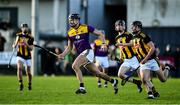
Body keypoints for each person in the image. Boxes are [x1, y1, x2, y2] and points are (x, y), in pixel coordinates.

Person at [58, 13, 118, 94]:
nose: (71, 22)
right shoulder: (70, 32)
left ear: (78, 20)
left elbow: (100, 33)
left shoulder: (86, 27)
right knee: (98, 73)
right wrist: (63, 54)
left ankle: (82, 87)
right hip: (82, 54)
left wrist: (103, 43)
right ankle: (114, 81)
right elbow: (69, 48)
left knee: (74, 66)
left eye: (73, 20)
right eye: (70, 20)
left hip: (88, 52)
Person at [117, 21, 172, 99]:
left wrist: (146, 59)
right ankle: (151, 94)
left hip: (151, 60)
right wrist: (122, 44)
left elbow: (152, 48)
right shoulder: (133, 37)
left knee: (163, 79)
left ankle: (167, 68)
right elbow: (132, 44)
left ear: (139, 28)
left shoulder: (144, 36)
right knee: (144, 79)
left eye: (134, 27)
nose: (132, 28)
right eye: (132, 27)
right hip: (143, 62)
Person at [114, 20, 142, 93]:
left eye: (121, 25)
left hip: (134, 58)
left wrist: (121, 44)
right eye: (118, 25)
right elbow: (121, 49)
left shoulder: (129, 35)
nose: (119, 26)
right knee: (120, 75)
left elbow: (132, 44)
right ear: (115, 27)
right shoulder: (117, 37)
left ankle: (151, 93)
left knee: (143, 78)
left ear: (124, 26)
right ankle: (137, 82)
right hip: (126, 60)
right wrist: (121, 57)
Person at [12, 23, 34, 91]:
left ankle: (29, 84)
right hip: (20, 55)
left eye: (26, 27)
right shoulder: (18, 35)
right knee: (19, 68)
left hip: (27, 56)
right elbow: (15, 43)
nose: (24, 28)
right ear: (21, 29)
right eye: (23, 27)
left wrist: (26, 43)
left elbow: (31, 48)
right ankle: (21, 84)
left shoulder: (30, 37)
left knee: (28, 73)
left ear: (27, 28)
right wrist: (14, 45)